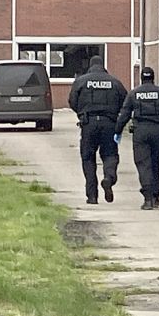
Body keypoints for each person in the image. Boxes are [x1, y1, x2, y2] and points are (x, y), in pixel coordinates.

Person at [115, 67, 159, 210]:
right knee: (155, 163)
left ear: (141, 78)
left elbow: (124, 114)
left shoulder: (134, 93)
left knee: (143, 164)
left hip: (141, 132)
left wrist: (118, 131)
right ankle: (156, 195)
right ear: (153, 78)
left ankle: (148, 198)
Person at [68, 55, 128, 205]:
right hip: (109, 123)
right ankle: (109, 177)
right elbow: (125, 100)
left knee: (88, 158)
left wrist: (82, 113)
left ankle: (92, 196)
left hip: (88, 123)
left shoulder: (81, 81)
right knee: (110, 155)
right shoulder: (114, 82)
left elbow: (72, 101)